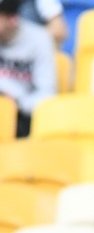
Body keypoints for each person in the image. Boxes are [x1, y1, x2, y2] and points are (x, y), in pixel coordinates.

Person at [0, 0, 55, 138]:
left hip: (22, 116)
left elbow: (47, 95)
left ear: (12, 19)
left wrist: (18, 103)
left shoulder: (39, 39)